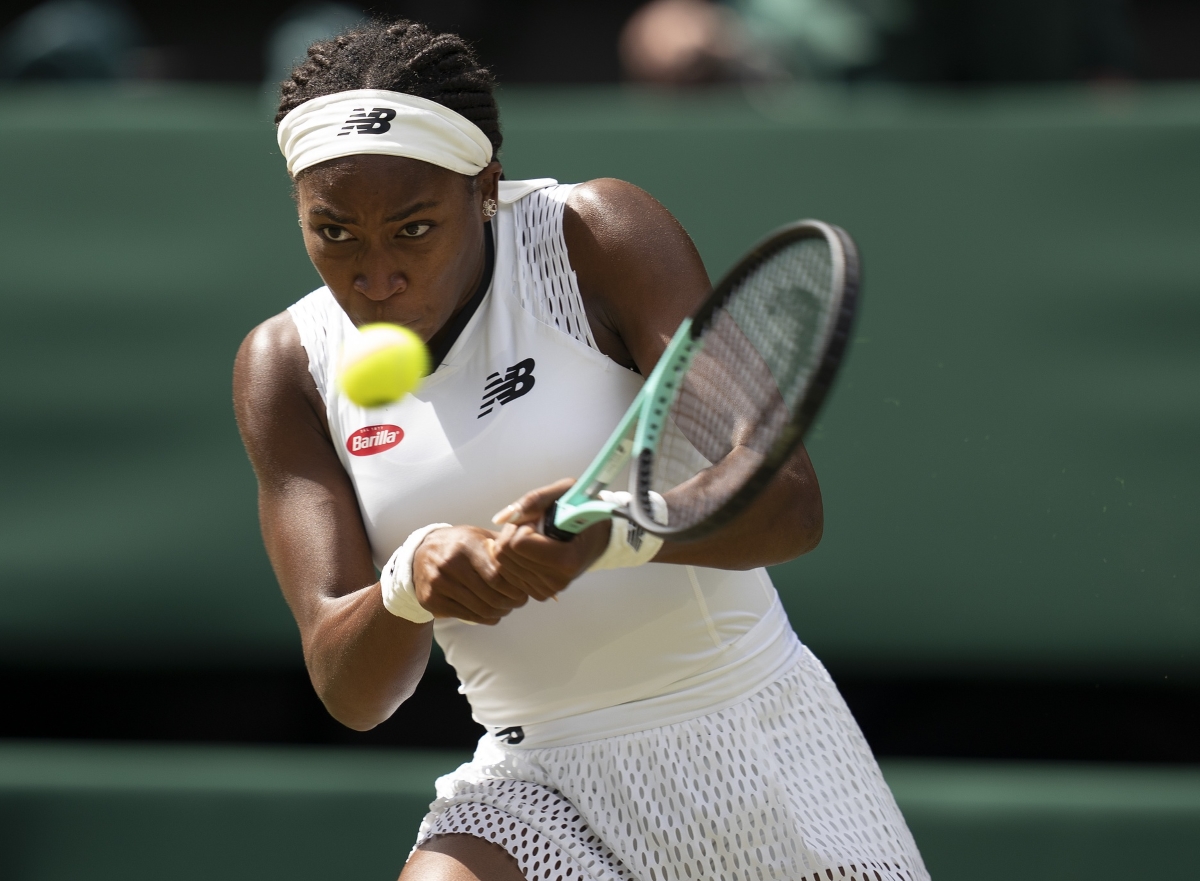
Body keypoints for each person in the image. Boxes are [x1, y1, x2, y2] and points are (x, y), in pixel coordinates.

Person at [233, 18, 929, 881]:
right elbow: (351, 688)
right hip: (536, 781)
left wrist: (616, 531)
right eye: (334, 232)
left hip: (755, 741)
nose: (375, 275)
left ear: (484, 185)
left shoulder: (593, 235)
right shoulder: (286, 366)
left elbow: (789, 503)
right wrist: (410, 580)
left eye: (414, 228)